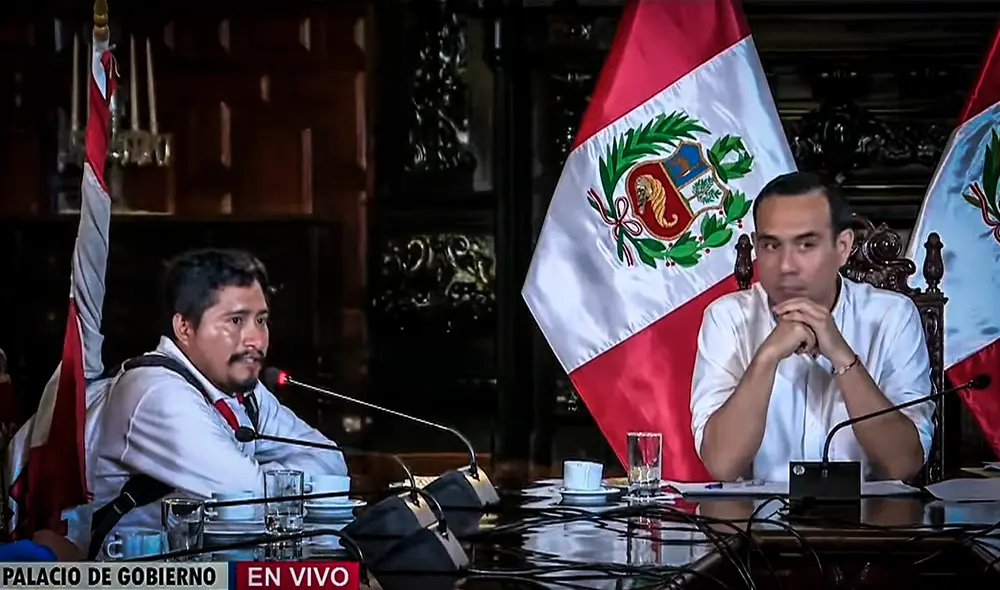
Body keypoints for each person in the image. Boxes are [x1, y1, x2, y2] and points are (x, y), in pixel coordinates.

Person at [84, 249, 348, 541]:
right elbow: (247, 501)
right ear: (184, 327)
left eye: (261, 320)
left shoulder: (243, 390)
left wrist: (264, 477)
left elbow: (331, 461)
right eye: (235, 321)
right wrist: (271, 479)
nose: (256, 339)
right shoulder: (156, 392)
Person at [690, 171, 933, 483]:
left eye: (805, 245)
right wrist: (766, 358)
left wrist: (842, 356)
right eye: (771, 246)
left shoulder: (892, 316)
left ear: (843, 247)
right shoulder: (727, 318)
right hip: (757, 525)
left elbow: (904, 463)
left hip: (870, 524)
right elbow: (722, 465)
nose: (787, 265)